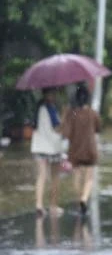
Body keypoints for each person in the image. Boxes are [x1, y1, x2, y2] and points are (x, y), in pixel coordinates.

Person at [61, 84, 101, 216]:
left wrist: (65, 115)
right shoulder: (92, 113)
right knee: (89, 177)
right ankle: (84, 198)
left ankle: (79, 201)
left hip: (75, 150)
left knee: (77, 176)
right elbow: (99, 128)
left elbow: (65, 133)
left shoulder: (71, 113)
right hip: (90, 150)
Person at [30, 88, 64, 217]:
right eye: (53, 93)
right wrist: (65, 117)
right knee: (55, 177)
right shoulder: (50, 108)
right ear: (48, 94)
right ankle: (53, 206)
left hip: (38, 148)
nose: (54, 95)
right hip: (52, 148)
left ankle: (39, 204)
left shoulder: (38, 108)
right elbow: (57, 128)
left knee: (41, 176)